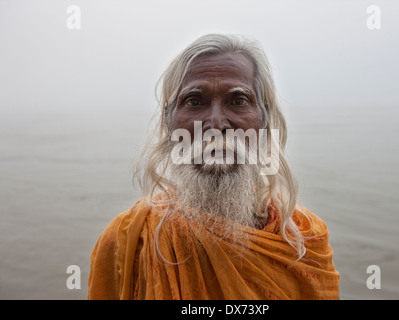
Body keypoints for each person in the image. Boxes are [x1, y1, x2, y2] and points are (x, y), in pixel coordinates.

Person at [87, 34, 340, 300]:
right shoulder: (127, 240)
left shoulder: (305, 242)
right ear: (169, 121)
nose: (217, 124)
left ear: (263, 120)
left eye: (238, 100)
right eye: (194, 101)